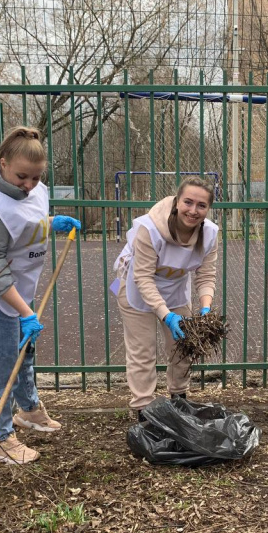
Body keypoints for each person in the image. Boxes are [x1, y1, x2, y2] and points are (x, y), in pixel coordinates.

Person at [0, 126, 81, 465]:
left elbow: (25, 219)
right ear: (3, 162)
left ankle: (29, 411)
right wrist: (27, 312)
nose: (29, 185)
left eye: (36, 178)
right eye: (22, 176)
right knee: (1, 363)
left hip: (20, 288)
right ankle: (0, 438)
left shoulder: (34, 187)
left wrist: (51, 222)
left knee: (25, 351)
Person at [113, 177, 218, 420]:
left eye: (201, 205)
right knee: (143, 351)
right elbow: (143, 279)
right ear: (176, 201)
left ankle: (179, 400)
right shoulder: (149, 229)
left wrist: (205, 308)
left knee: (182, 346)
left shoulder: (210, 233)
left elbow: (206, 274)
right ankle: (143, 411)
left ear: (208, 208)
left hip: (175, 288)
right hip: (136, 289)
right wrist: (166, 315)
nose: (193, 211)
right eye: (188, 202)